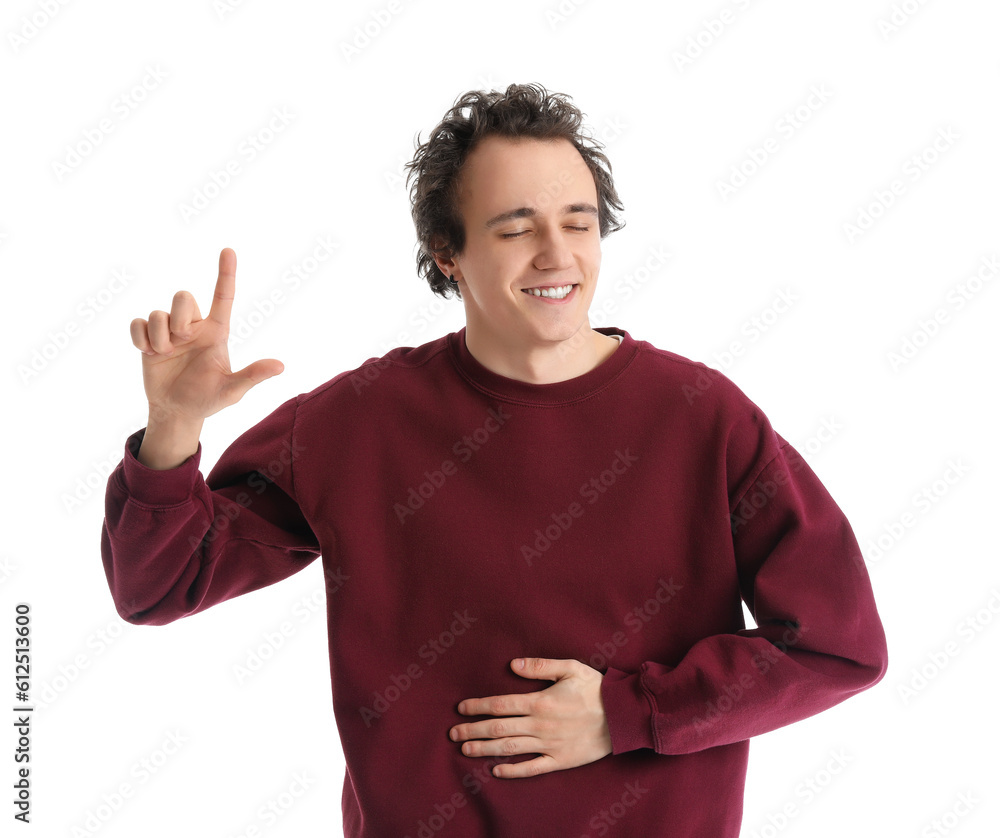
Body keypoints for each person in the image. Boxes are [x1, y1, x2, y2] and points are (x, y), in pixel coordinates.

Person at [101, 83, 889, 838]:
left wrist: (632, 714)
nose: (557, 255)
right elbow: (159, 586)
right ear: (448, 253)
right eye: (516, 228)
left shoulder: (704, 417)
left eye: (578, 224)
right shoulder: (355, 422)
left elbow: (836, 643)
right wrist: (171, 428)